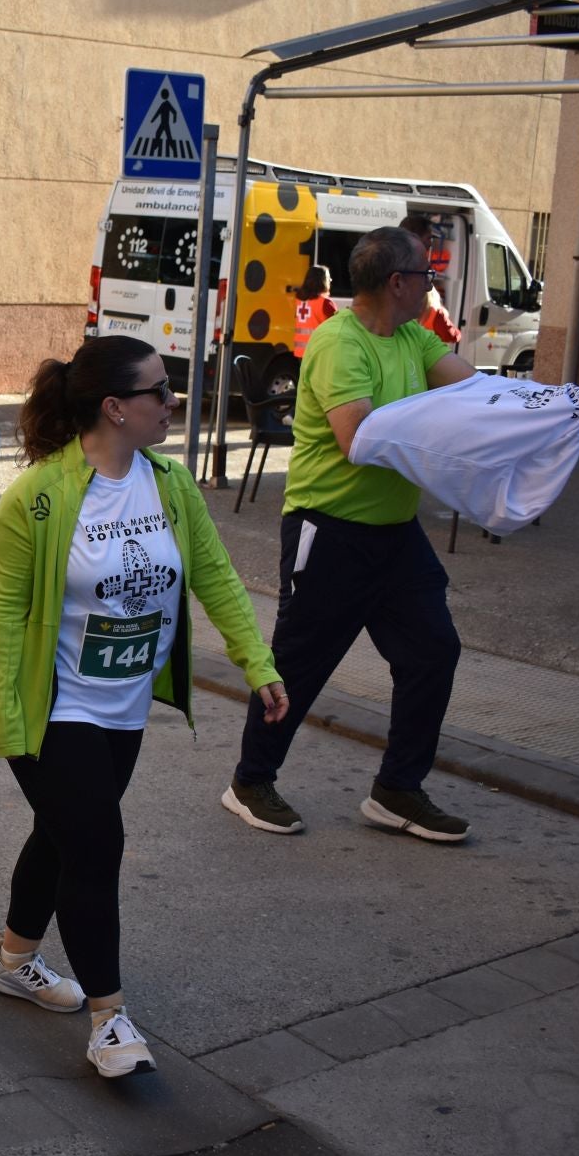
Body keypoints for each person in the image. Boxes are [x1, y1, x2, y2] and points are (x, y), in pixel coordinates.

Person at [0, 335, 286, 1079]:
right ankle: (109, 1021)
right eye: (160, 391)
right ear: (115, 408)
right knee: (96, 846)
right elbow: (4, 619)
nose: (174, 402)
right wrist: (8, 725)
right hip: (54, 710)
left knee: (61, 836)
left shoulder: (169, 482)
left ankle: (14, 961)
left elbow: (214, 575)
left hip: (124, 704)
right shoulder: (38, 498)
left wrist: (258, 662)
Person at [225, 226, 479, 842]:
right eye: (426, 275)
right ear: (398, 283)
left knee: (433, 652)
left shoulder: (413, 337)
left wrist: (556, 405)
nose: (432, 286)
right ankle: (251, 781)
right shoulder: (341, 342)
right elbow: (358, 439)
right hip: (330, 531)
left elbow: (476, 392)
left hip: (395, 536)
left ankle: (397, 789)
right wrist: (439, 432)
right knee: (298, 665)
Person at [398, 215, 463, 347]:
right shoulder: (415, 273)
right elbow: (451, 334)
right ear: (415, 238)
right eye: (429, 237)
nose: (431, 243)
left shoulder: (391, 264)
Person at [290, 265, 338, 359]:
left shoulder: (300, 301)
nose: (330, 280)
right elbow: (338, 327)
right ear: (323, 281)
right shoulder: (325, 303)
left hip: (301, 352)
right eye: (328, 278)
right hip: (319, 352)